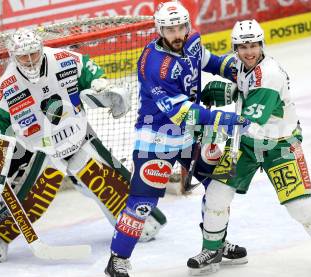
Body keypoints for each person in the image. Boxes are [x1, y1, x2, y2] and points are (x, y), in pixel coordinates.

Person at [0, 28, 168, 263]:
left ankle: (134, 219)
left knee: (104, 177)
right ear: (13, 57)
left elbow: (89, 70)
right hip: (41, 151)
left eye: (34, 53)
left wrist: (101, 86)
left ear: (41, 48)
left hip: (79, 137)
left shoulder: (63, 60)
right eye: (24, 57)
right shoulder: (7, 85)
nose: (30, 61)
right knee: (35, 196)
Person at [187, 19, 311, 274]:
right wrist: (226, 88)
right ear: (235, 48)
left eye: (253, 45)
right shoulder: (240, 64)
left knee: (301, 207)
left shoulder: (269, 75)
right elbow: (226, 72)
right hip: (246, 145)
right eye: (242, 46)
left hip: (279, 145)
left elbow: (248, 122)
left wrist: (207, 127)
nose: (249, 51)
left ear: (262, 45)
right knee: (217, 194)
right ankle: (212, 248)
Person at [104, 2, 251, 276]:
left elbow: (211, 62)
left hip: (190, 136)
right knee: (142, 204)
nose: (176, 33)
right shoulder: (153, 64)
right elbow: (182, 113)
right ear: (159, 30)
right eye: (169, 29)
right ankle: (117, 260)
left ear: (187, 26)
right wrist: (226, 119)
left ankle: (214, 242)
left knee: (220, 186)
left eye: (180, 27)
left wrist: (240, 69)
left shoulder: (192, 41)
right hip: (158, 139)